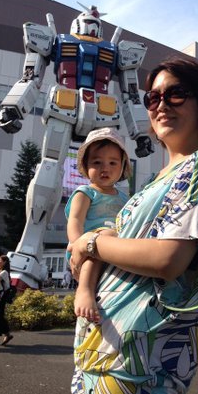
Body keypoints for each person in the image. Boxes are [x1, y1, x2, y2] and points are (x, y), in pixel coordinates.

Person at [69, 58, 198, 394]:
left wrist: (90, 242)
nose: (161, 105)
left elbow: (167, 259)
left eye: (175, 94)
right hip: (101, 351)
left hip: (140, 365)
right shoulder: (153, 182)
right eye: (153, 98)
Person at [65, 127, 131, 322]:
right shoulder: (85, 192)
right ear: (85, 166)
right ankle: (84, 290)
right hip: (90, 245)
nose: (105, 168)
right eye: (97, 162)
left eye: (113, 162)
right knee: (100, 243)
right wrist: (77, 242)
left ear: (122, 166)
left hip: (116, 245)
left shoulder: (124, 197)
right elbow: (75, 219)